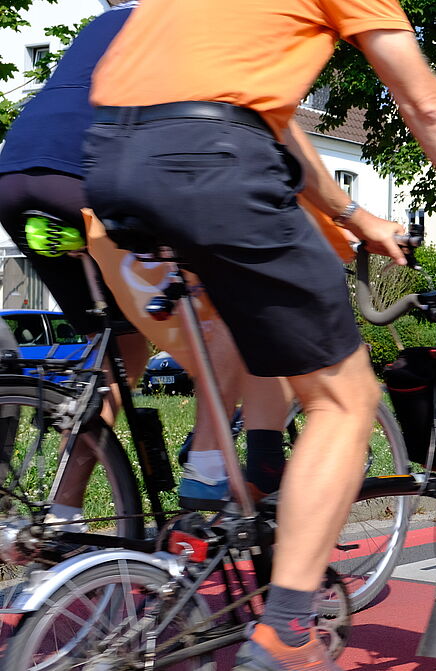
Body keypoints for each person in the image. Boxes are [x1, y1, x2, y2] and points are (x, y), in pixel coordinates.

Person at [84, 1, 436, 668]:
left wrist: (353, 215)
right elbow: (425, 103)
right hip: (214, 159)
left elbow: (273, 122)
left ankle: (222, 490)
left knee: (235, 330)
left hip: (112, 160)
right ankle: (288, 627)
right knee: (345, 399)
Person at [0, 0, 289, 519]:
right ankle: (205, 477)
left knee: (118, 347)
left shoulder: (105, 21)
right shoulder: (196, 24)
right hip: (90, 176)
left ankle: (61, 514)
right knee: (224, 315)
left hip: (18, 178)